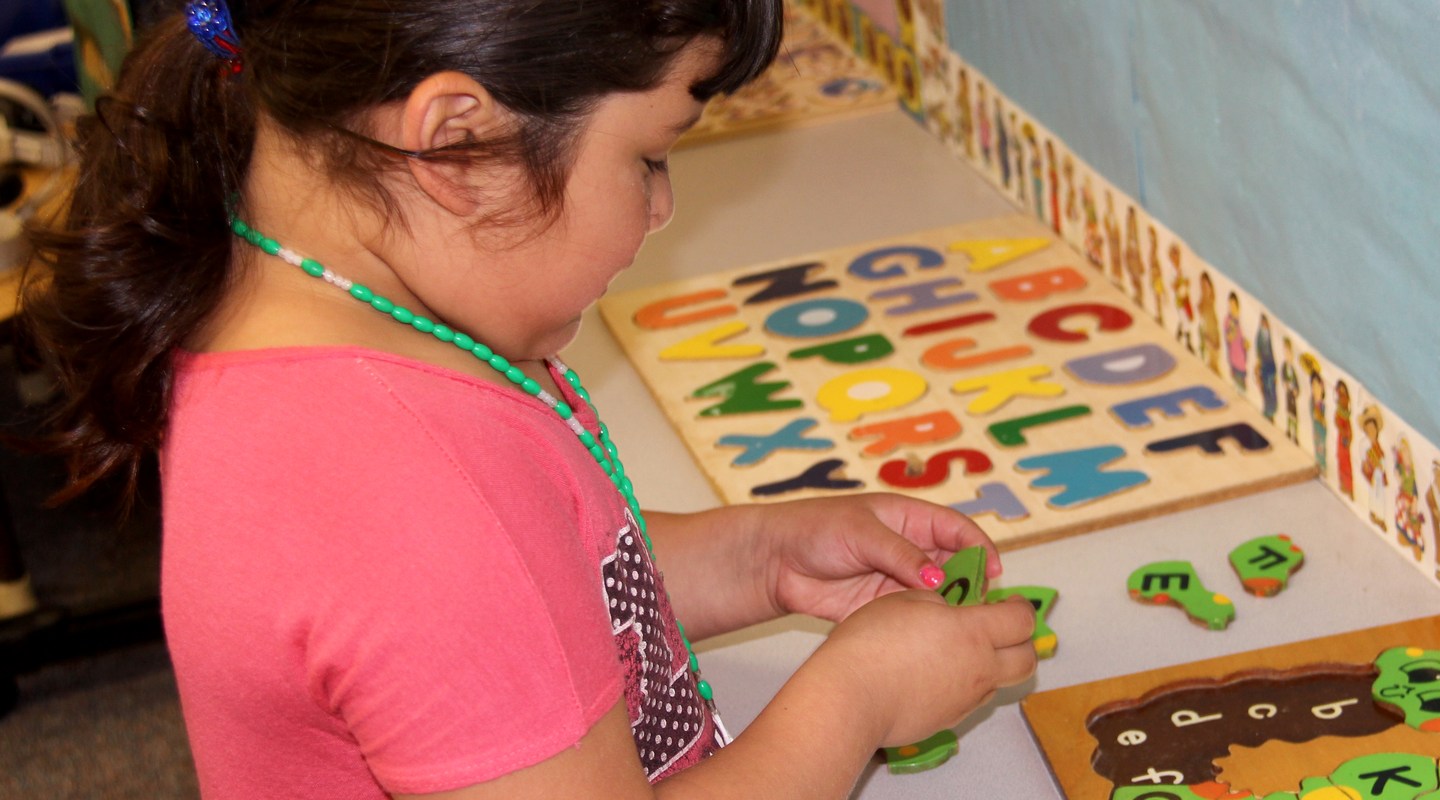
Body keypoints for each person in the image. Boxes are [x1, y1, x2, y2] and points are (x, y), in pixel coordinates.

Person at [20, 2, 1037, 798]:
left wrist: (761, 555)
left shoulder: (307, 311)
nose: (661, 205)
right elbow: (475, 576)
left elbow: (533, 602)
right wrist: (852, 698)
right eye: (648, 155)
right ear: (459, 139)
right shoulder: (409, 485)